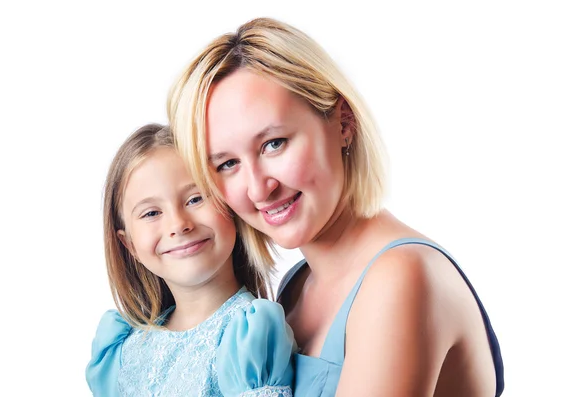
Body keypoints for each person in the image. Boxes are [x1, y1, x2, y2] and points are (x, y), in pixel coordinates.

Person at [168, 17, 504, 397]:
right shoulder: (297, 285)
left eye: (274, 143)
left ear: (343, 122)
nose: (259, 187)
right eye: (227, 164)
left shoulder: (402, 278)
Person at [85, 123, 295, 397]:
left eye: (196, 199)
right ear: (129, 245)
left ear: (229, 205)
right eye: (151, 213)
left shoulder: (250, 339)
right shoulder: (123, 352)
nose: (178, 224)